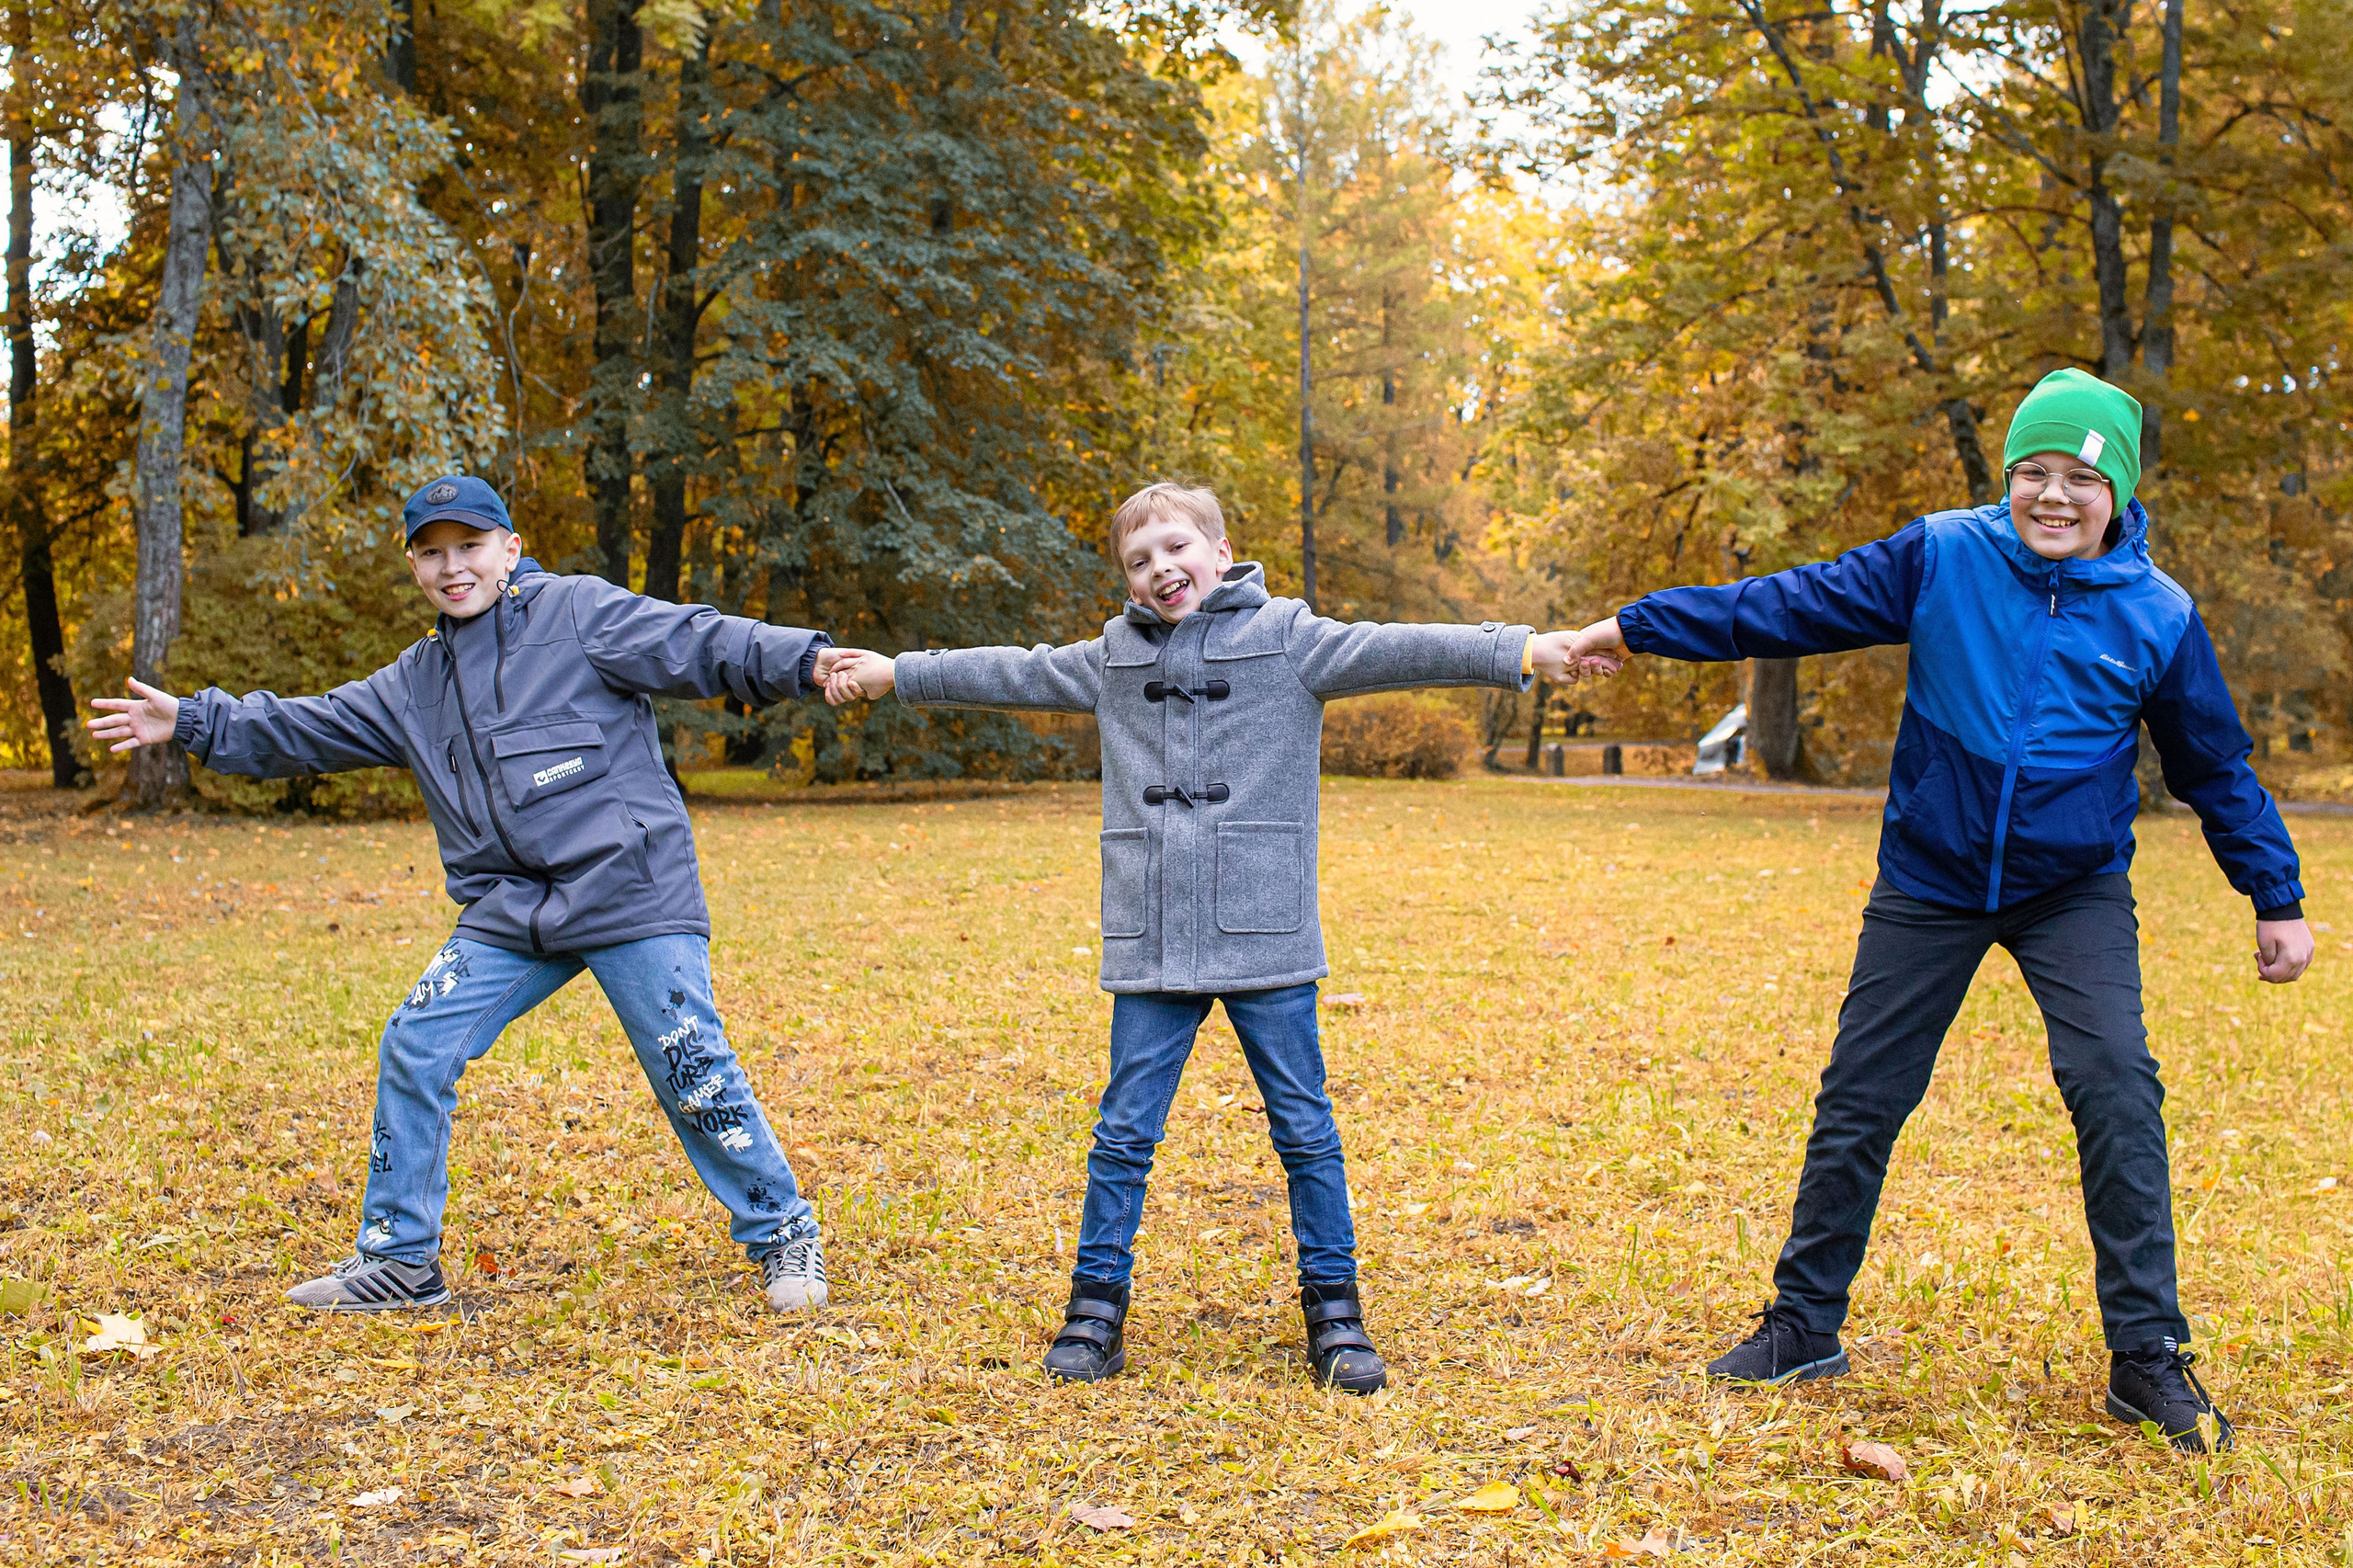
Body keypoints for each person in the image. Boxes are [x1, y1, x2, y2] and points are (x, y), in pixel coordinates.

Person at [1561, 369, 2313, 1452]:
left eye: (2077, 479)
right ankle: (1803, 1322)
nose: (2051, 497)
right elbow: (1784, 603)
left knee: (2116, 1088)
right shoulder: (1942, 554)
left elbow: (2216, 765)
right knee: (1861, 1094)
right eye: (2031, 474)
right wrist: (1636, 629)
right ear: (2007, 477)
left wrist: (2273, 893)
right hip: (1930, 877)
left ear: (2118, 493)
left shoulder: (2157, 613)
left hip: (2073, 889)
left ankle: (2147, 1355)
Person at [822, 482, 1595, 1392]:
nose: (1161, 568)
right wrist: (895, 671)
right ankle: (1093, 1313)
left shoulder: (1289, 637)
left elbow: (1402, 646)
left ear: (1221, 553)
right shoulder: (1111, 657)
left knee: (1304, 1129)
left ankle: (1336, 1318)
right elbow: (1009, 670)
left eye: (1176, 547)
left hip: (1263, 932)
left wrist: (1525, 649)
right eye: (1139, 560)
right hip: (1153, 936)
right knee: (1121, 1134)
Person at [89, 474, 855, 1316]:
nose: (453, 567)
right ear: (415, 565)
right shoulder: (414, 684)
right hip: (511, 910)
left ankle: (783, 1230)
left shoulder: (578, 614)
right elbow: (305, 727)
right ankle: (399, 1260)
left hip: (629, 888)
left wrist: (810, 660)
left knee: (689, 1063)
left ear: (510, 550)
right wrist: (195, 722)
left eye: (470, 547)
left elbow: (701, 641)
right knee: (416, 1042)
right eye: (432, 552)